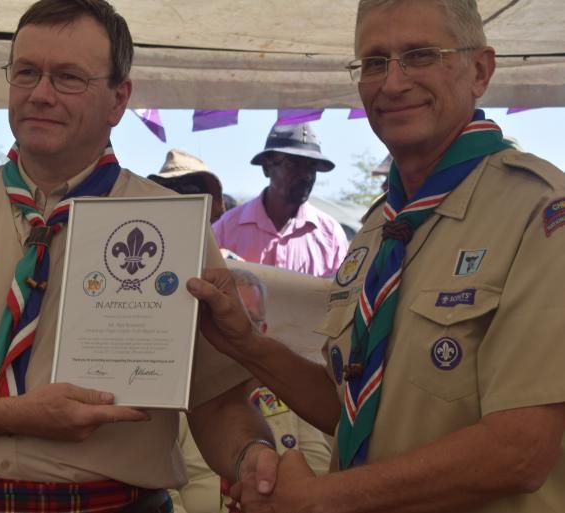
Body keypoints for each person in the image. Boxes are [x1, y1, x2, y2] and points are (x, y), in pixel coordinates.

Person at [0, 2, 279, 512]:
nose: (40, 94)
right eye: (26, 72)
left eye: (68, 77)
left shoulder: (172, 224)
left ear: (119, 99)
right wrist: (11, 414)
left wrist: (251, 457)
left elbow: (216, 399)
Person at [187, 0, 565, 512]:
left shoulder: (540, 212)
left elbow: (521, 449)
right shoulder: (378, 230)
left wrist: (320, 498)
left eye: (420, 55)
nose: (392, 82)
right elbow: (353, 410)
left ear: (480, 71)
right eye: (374, 62)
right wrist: (247, 345)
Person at [170, 268, 331, 513]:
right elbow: (167, 491)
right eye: (215, 316)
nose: (226, 324)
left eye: (247, 318)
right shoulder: (180, 397)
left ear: (262, 330)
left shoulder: (293, 396)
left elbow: (320, 474)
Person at [212, 121, 348, 277]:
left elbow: (343, 295)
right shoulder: (226, 229)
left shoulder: (330, 235)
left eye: (312, 167)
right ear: (266, 167)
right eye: (293, 164)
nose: (307, 175)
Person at [148, 148, 226, 223]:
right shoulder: (149, 232)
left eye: (189, 188)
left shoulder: (223, 233)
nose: (177, 196)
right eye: (168, 188)